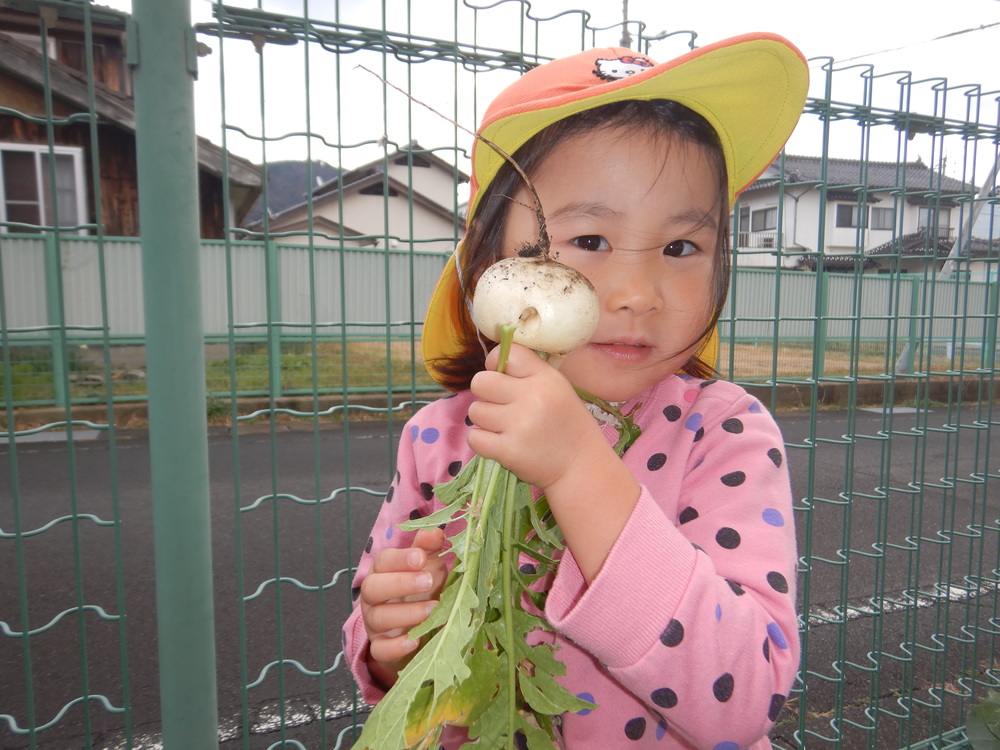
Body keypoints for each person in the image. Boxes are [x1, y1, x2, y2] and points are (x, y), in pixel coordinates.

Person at [344, 33, 809, 749]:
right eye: (589, 239)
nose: (636, 293)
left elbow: (745, 696)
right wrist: (391, 640)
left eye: (681, 248)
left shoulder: (725, 433)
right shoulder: (438, 437)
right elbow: (382, 655)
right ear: (487, 258)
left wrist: (577, 468)